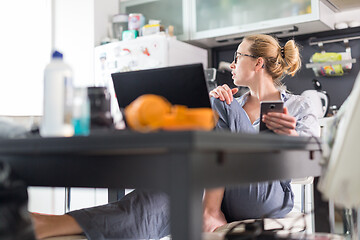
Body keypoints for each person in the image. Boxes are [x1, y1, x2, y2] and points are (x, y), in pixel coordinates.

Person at [31, 34, 320, 239]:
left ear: (258, 64)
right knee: (157, 199)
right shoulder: (233, 101)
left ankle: (210, 210)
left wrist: (292, 134)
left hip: (263, 198)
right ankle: (51, 223)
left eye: (238, 57)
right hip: (217, 186)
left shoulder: (297, 105)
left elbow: (314, 157)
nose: (232, 64)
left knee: (220, 106)